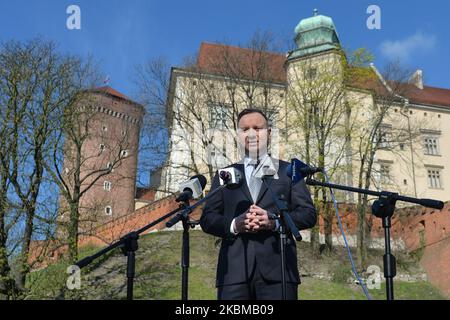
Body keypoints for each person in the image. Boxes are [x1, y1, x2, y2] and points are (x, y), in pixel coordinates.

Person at [200, 108, 317, 300]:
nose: (252, 133)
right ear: (238, 135)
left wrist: (276, 222)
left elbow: (308, 214)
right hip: (233, 274)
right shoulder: (225, 174)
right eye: (245, 129)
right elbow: (208, 218)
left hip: (279, 272)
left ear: (269, 134)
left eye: (258, 128)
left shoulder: (289, 171)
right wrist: (234, 224)